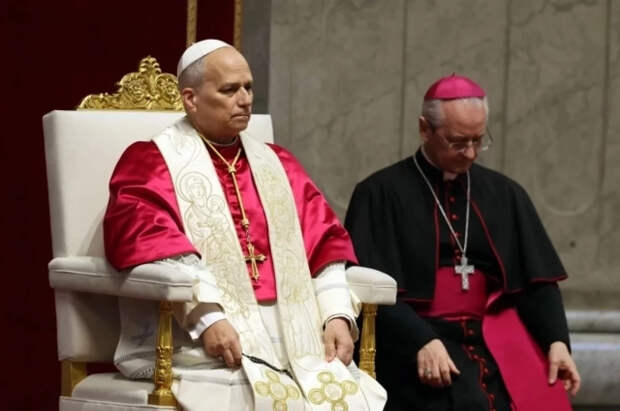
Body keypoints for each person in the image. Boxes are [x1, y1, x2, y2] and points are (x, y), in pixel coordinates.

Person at [104, 39, 386, 411]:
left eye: (249, 88)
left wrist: (336, 315)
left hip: (295, 337)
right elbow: (147, 239)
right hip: (201, 340)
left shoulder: (277, 163)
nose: (245, 100)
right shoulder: (151, 163)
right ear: (191, 98)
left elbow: (325, 242)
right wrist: (207, 318)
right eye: (229, 90)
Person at [344, 74, 580, 411]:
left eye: (478, 140)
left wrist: (556, 340)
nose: (470, 153)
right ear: (425, 129)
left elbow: (536, 281)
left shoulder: (505, 193)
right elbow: (366, 286)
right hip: (411, 339)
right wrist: (420, 339)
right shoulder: (379, 193)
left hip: (491, 337)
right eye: (457, 142)